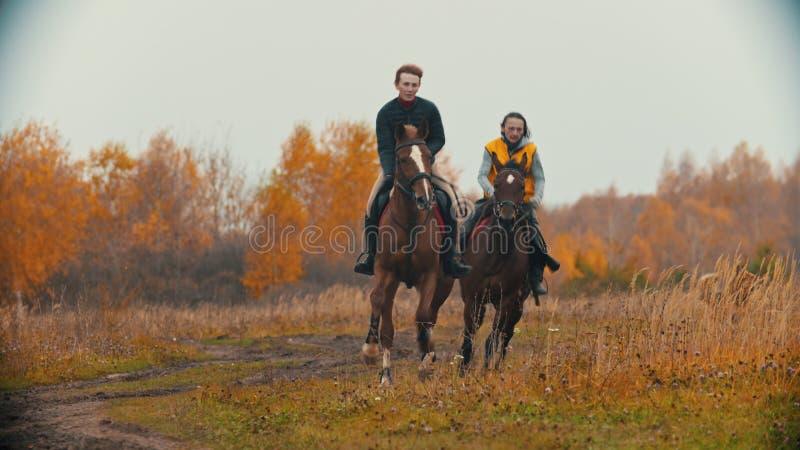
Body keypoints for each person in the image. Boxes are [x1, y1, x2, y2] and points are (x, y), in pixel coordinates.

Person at [354, 64, 471, 278]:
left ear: (419, 86)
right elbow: (385, 146)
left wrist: (426, 156)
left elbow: (439, 138)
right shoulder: (385, 113)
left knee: (450, 199)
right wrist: (389, 172)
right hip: (396, 166)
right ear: (397, 84)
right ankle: (369, 254)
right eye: (406, 84)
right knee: (373, 203)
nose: (410, 88)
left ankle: (452, 256)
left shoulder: (430, 109)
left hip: (424, 165)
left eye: (414, 85)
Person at [461, 112, 560, 295]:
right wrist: (492, 192)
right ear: (503, 128)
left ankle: (535, 276)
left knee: (535, 236)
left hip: (521, 203)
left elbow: (539, 178)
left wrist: (536, 198)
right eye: (511, 128)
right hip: (493, 199)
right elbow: (482, 175)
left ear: (524, 131)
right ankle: (456, 264)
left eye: (519, 129)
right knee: (466, 226)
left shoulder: (531, 150)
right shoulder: (491, 147)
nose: (514, 132)